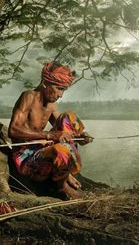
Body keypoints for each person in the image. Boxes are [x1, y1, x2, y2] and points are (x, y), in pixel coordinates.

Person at [8, 62, 93, 199]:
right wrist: (50, 135)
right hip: (25, 157)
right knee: (60, 150)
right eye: (59, 88)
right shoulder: (28, 96)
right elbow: (13, 130)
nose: (60, 95)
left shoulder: (52, 105)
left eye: (63, 90)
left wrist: (81, 135)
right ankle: (61, 186)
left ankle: (66, 174)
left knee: (68, 116)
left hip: (42, 149)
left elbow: (65, 128)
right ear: (45, 83)